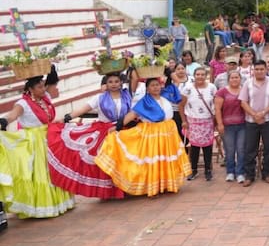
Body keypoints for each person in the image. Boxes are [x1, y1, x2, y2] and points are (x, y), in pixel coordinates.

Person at [96, 77, 192, 196]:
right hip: (152, 134)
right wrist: (117, 127)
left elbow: (181, 96)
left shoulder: (166, 98)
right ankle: (154, 186)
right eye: (152, 85)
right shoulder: (145, 102)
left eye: (157, 85)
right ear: (147, 88)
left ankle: (167, 184)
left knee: (166, 158)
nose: (155, 87)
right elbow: (132, 115)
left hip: (168, 132)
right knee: (154, 161)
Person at [0, 76, 75, 218]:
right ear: (30, 89)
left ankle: (59, 202)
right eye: (39, 87)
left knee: (54, 170)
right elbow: (13, 115)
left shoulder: (45, 98)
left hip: (49, 138)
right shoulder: (23, 103)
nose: (43, 89)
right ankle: (39, 207)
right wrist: (5, 120)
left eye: (43, 86)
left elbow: (52, 88)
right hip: (35, 142)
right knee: (40, 173)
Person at [51, 72, 129, 200]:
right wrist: (66, 118)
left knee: (123, 160)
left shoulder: (128, 95)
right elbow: (83, 109)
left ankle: (126, 187)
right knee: (107, 161)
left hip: (124, 129)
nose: (114, 84)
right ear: (105, 84)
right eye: (110, 82)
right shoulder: (99, 98)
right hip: (105, 131)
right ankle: (110, 191)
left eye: (116, 81)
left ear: (121, 82)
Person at [239, 60, 269, 186]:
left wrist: (263, 113)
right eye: (257, 69)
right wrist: (254, 114)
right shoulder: (248, 83)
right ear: (253, 70)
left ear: (266, 70)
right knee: (250, 148)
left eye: (262, 69)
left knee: (268, 148)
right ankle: (249, 175)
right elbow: (243, 102)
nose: (259, 71)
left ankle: (267, 173)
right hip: (251, 121)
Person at [179, 67, 217, 182]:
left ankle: (208, 170)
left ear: (206, 76)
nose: (200, 77)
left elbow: (215, 105)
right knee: (194, 147)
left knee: (207, 147)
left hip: (207, 121)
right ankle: (193, 170)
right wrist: (184, 121)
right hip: (193, 121)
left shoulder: (212, 88)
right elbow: (181, 105)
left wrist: (216, 121)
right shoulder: (188, 88)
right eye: (198, 74)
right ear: (194, 76)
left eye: (202, 74)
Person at [215, 69, 246, 183]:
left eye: (236, 77)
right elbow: (217, 109)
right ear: (228, 79)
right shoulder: (222, 92)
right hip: (227, 126)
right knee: (229, 149)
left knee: (241, 149)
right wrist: (220, 124)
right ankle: (230, 172)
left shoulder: (244, 90)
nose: (234, 79)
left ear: (240, 79)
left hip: (242, 125)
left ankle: (240, 172)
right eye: (232, 77)